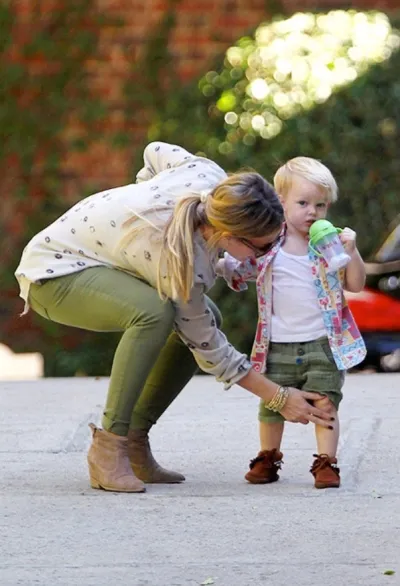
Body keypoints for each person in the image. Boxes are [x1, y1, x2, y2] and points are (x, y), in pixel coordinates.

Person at [15, 143, 334, 494]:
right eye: (262, 248)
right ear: (228, 236)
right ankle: (109, 447)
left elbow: (154, 151)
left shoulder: (208, 178)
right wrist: (278, 397)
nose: (268, 254)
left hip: (96, 261)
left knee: (204, 314)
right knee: (154, 313)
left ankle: (134, 441)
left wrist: (144, 196)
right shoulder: (179, 260)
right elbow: (209, 349)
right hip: (53, 272)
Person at [218, 156, 367, 489]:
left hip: (323, 341)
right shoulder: (269, 245)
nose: (312, 212)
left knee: (325, 401)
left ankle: (326, 462)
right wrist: (223, 266)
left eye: (321, 205)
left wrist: (352, 252)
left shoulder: (329, 245)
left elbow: (355, 284)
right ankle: (268, 457)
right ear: (280, 201)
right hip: (277, 342)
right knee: (273, 403)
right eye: (303, 203)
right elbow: (241, 269)